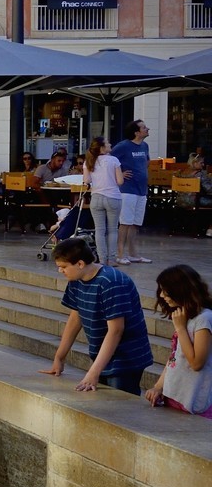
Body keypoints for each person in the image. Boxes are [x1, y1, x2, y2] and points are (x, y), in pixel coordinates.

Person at [44, 237, 154, 395]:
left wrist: (93, 372)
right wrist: (59, 357)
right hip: (102, 355)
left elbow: (116, 330)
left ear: (80, 264)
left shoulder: (111, 282)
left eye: (63, 267)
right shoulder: (76, 279)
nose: (60, 271)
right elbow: (76, 317)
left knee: (118, 408)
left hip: (125, 359)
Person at [147, 265, 212, 415]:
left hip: (194, 402)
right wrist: (158, 386)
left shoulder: (204, 319)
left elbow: (197, 363)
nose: (162, 296)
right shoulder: (184, 316)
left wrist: (181, 329)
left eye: (165, 291)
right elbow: (174, 356)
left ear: (180, 289)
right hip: (174, 394)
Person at [112, 119, 152, 264]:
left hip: (141, 190)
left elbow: (147, 161)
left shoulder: (145, 146)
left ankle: (133, 253)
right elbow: (109, 161)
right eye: (144, 127)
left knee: (135, 223)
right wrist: (120, 174)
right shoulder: (123, 146)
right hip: (127, 189)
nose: (147, 129)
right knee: (125, 222)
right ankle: (120, 254)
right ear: (136, 132)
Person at [83, 137, 125, 267]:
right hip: (113, 197)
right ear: (102, 148)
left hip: (96, 197)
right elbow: (120, 181)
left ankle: (102, 259)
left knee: (99, 230)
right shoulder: (113, 160)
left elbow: (86, 180)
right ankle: (111, 259)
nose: (110, 143)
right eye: (107, 143)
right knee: (112, 229)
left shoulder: (89, 161)